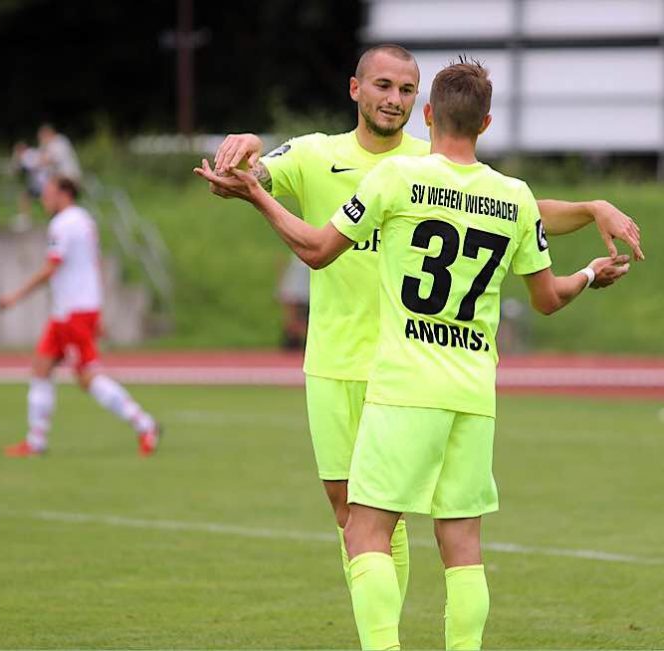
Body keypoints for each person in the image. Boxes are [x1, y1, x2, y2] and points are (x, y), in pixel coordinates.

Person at [197, 59, 631, 649]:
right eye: (384, 85)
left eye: (407, 91)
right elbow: (547, 290)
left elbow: (318, 249)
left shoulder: (400, 178)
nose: (395, 99)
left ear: (427, 113)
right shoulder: (512, 194)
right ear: (488, 122)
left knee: (365, 529)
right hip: (471, 391)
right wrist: (587, 271)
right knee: (463, 546)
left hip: (402, 380)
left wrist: (253, 196)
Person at [0, 176, 161, 457]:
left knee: (87, 376)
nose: (43, 199)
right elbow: (93, 264)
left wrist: (15, 296)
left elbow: (51, 268)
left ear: (64, 194)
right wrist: (98, 309)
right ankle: (36, 441)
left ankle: (145, 424)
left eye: (48, 193)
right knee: (41, 367)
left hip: (72, 311)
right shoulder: (85, 220)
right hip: (75, 309)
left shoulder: (63, 224)